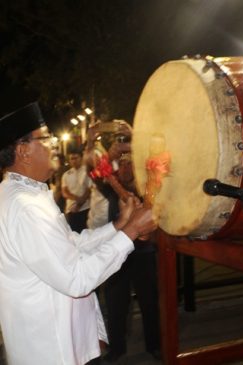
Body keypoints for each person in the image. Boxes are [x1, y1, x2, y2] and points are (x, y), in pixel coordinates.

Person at [0, 102, 157, 365]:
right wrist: (131, 232)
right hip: (50, 350)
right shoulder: (25, 208)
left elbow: (71, 244)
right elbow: (76, 279)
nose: (53, 145)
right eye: (46, 138)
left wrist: (118, 226)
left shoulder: (25, 195)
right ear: (23, 151)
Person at [85, 122, 161, 364]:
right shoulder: (111, 187)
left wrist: (136, 138)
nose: (127, 167)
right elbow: (96, 169)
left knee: (150, 301)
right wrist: (106, 150)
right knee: (116, 303)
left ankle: (155, 346)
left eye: (131, 162)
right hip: (117, 250)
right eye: (123, 163)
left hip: (144, 250)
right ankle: (117, 348)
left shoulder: (148, 186)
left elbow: (160, 158)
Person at [62, 148, 92, 232]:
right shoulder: (66, 175)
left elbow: (89, 189)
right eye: (72, 158)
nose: (74, 161)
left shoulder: (87, 171)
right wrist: (77, 199)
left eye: (76, 158)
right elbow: (64, 192)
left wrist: (80, 203)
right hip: (71, 210)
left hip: (86, 208)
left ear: (81, 158)